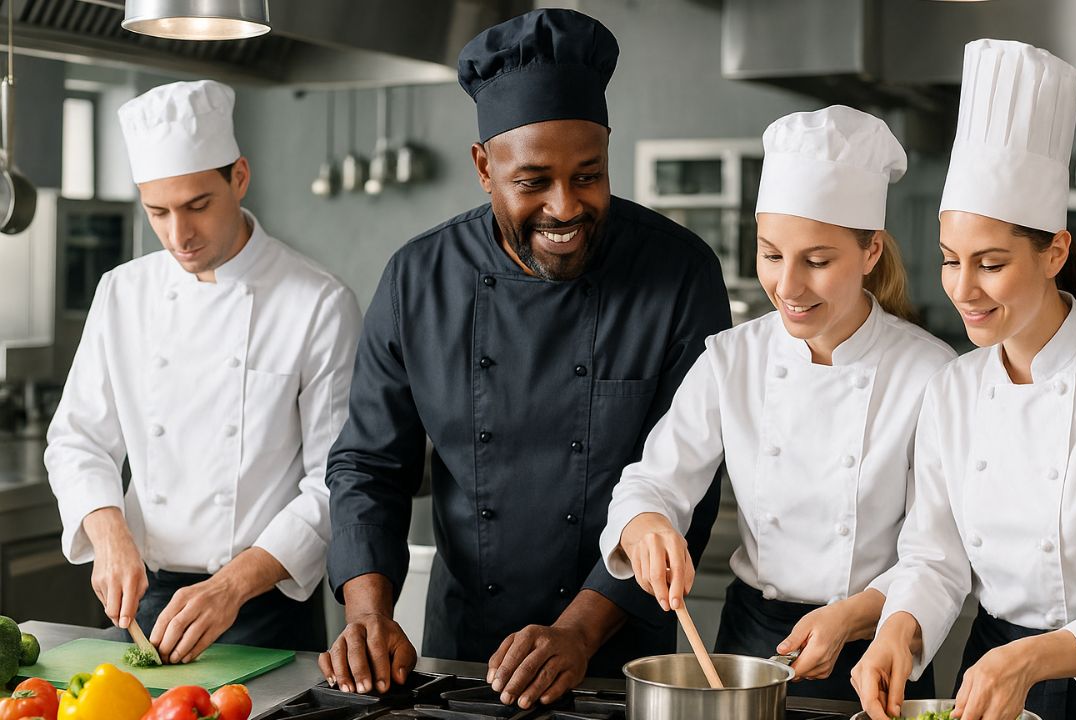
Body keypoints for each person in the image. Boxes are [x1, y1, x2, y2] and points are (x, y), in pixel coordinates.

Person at [320, 8, 731, 709]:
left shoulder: (678, 273)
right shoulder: (419, 280)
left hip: (620, 658)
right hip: (462, 653)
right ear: (484, 167)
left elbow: (683, 489)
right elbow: (369, 465)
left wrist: (577, 631)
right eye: (533, 181)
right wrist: (367, 614)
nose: (565, 208)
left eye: (588, 175)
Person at [850, 39, 1076, 720]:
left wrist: (1035, 657)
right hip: (990, 678)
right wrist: (900, 625)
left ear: (1055, 252)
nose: (963, 289)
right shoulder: (954, 388)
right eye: (951, 261)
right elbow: (936, 555)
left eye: (990, 263)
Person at [599, 106, 953, 700]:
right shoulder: (732, 359)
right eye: (770, 254)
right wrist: (647, 525)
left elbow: (938, 550)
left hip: (881, 645)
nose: (787, 287)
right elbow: (651, 482)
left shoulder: (931, 373)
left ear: (871, 253)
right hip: (753, 642)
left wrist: (854, 617)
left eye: (817, 261)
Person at [45, 80, 362, 662]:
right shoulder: (122, 293)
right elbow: (78, 438)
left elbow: (333, 482)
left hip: (263, 606)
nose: (178, 236)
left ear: (239, 177)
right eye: (157, 212)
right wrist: (108, 530)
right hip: (144, 604)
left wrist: (231, 586)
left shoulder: (317, 302)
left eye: (197, 206)